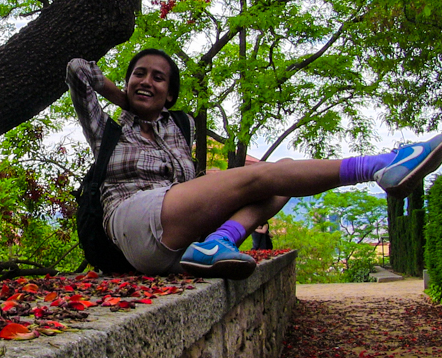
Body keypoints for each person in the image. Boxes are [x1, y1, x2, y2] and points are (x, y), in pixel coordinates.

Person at [66, 49, 442, 280]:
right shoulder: (107, 130)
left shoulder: (179, 128)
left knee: (281, 179)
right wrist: (125, 98)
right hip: (135, 222)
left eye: (157, 78)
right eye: (139, 74)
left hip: (180, 233)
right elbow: (77, 70)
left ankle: (217, 243)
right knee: (261, 175)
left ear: (170, 93)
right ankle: (380, 165)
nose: (146, 81)